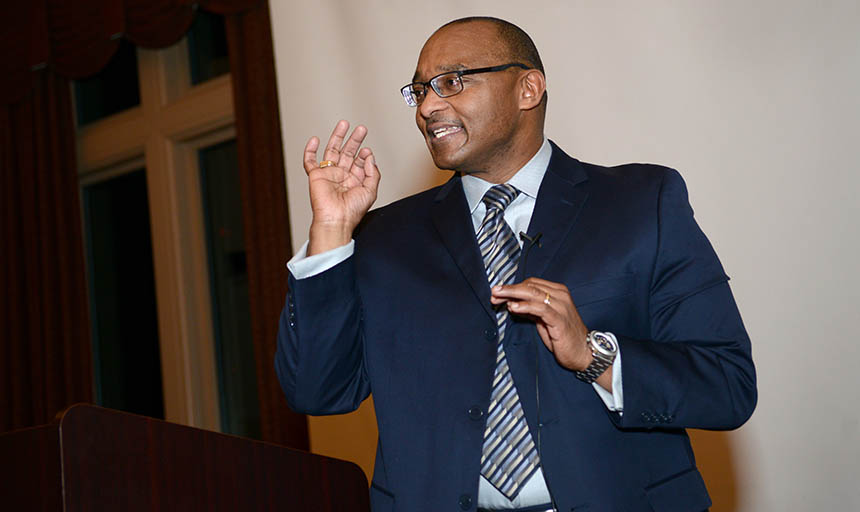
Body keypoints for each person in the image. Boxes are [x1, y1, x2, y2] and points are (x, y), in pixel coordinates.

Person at [276, 16, 756, 512]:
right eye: (419, 90)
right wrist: (331, 232)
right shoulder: (384, 238)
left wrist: (594, 354)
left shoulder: (640, 203)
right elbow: (317, 391)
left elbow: (726, 384)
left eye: (451, 81)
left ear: (528, 88)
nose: (428, 106)